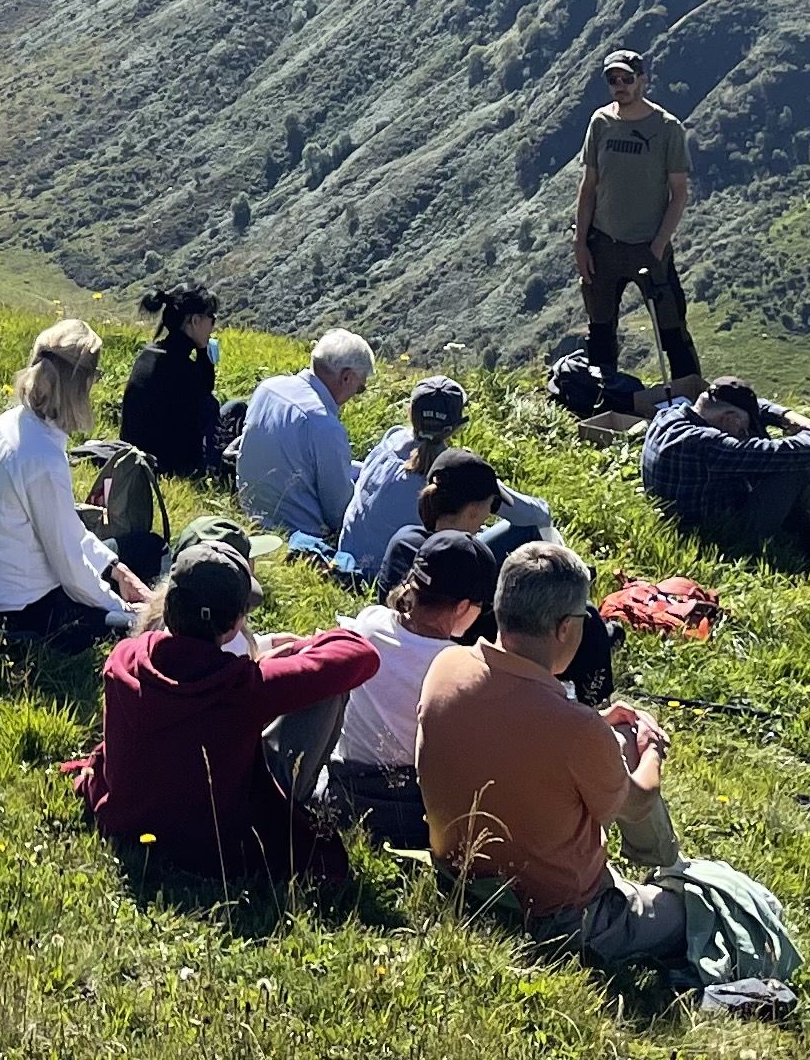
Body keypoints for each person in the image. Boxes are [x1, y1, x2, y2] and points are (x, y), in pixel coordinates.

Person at [417, 538, 687, 970]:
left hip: (459, 879)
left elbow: (512, 727)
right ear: (564, 628)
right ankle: (670, 869)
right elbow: (638, 802)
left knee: (612, 741)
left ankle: (661, 868)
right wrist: (650, 747)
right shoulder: (576, 730)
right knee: (699, 907)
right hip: (560, 918)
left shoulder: (446, 666)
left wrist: (599, 725)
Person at [69, 537, 377, 892]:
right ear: (233, 626)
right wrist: (301, 648)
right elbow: (361, 654)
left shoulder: (124, 657)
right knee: (329, 690)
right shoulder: (242, 686)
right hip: (211, 846)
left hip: (126, 821)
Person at [0, 322, 156, 640]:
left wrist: (115, 569)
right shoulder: (43, 460)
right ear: (80, 384)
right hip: (22, 608)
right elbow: (68, 564)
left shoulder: (12, 423)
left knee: (137, 549)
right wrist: (121, 607)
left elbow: (66, 529)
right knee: (141, 617)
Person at [320, 531, 498, 848]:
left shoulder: (370, 622)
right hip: (413, 812)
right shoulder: (461, 666)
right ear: (461, 608)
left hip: (346, 790)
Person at [338, 377, 560, 582]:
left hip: (351, 560)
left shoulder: (390, 440)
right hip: (406, 574)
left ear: (410, 412)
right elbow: (538, 514)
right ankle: (560, 585)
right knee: (530, 529)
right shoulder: (456, 474)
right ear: (458, 426)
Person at [571, 50, 700, 389]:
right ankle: (604, 400)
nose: (620, 85)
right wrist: (581, 242)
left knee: (672, 330)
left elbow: (679, 193)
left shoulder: (667, 128)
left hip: (648, 247)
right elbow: (589, 185)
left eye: (627, 78)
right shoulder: (600, 122)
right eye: (613, 79)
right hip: (603, 245)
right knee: (600, 328)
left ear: (643, 81)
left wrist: (658, 245)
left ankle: (693, 399)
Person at [640, 380, 810, 557]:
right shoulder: (708, 444)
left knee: (774, 465)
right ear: (729, 418)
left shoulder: (668, 416)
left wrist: (786, 415)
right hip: (719, 532)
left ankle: (808, 526)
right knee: (799, 468)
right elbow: (802, 451)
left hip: (679, 516)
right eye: (743, 429)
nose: (744, 435)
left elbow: (755, 406)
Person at [234, 330, 373, 562]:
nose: (355, 396)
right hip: (296, 534)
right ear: (346, 377)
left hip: (250, 510)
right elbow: (338, 512)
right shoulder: (324, 425)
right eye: (360, 388)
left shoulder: (268, 388)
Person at [115, 283, 228, 481]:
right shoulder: (185, 370)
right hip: (170, 465)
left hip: (135, 454)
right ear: (195, 320)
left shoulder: (148, 354)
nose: (213, 325)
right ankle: (216, 471)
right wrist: (203, 351)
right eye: (212, 318)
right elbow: (206, 392)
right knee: (231, 408)